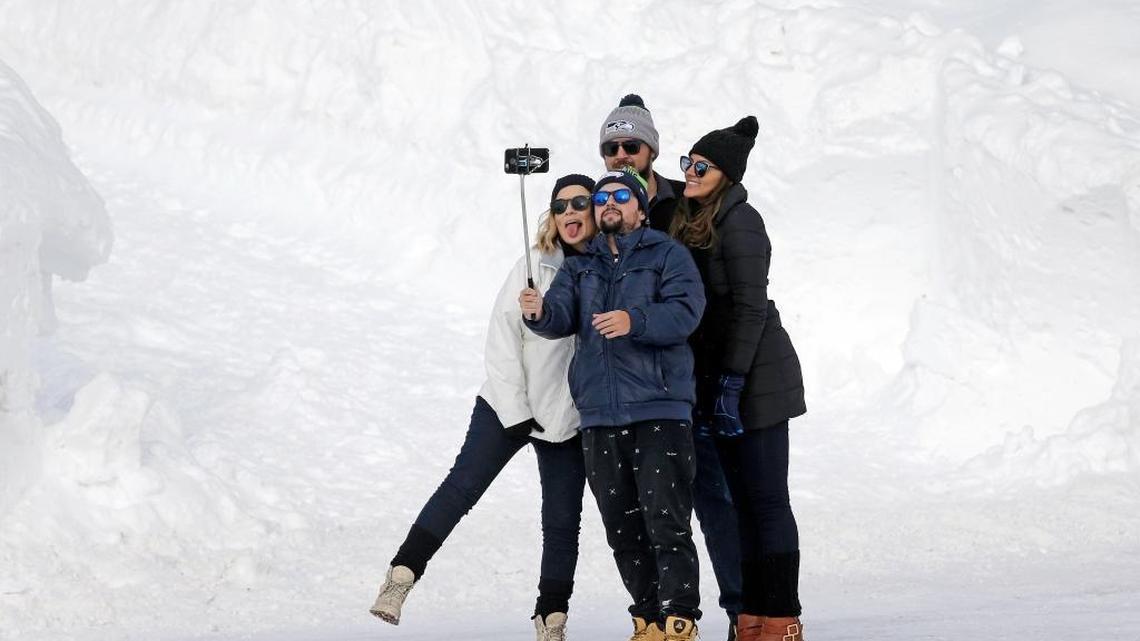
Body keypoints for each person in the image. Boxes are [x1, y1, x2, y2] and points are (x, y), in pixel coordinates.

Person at [370, 174, 599, 641]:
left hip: (568, 421)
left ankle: (551, 619)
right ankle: (401, 576)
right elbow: (502, 337)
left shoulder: (607, 271)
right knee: (461, 488)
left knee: (561, 522)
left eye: (580, 203)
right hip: (507, 405)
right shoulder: (535, 265)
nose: (570, 213)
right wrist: (515, 410)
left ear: (596, 210)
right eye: (560, 206)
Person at [520, 167, 706, 641]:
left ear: (641, 209)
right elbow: (560, 316)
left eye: (621, 197)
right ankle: (647, 621)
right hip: (600, 416)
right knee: (621, 527)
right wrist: (540, 313)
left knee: (665, 520)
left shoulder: (668, 254)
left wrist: (634, 320)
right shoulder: (580, 266)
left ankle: (679, 620)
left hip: (659, 409)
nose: (608, 204)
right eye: (602, 198)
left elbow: (686, 312)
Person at [599, 93, 744, 638]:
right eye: (611, 147)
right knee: (647, 510)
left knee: (713, 498)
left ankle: (742, 613)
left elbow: (719, 278)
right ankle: (659, 620)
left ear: (651, 150)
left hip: (695, 371)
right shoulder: (603, 209)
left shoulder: (686, 200)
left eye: (631, 145)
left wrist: (730, 363)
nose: (621, 154)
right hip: (632, 390)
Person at [670, 116, 808, 641]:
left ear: (725, 174)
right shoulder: (693, 218)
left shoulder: (743, 221)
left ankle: (782, 619)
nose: (690, 172)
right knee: (741, 505)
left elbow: (750, 308)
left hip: (759, 381)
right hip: (720, 381)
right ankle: (751, 617)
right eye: (688, 162)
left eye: (701, 166)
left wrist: (731, 383)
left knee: (767, 501)